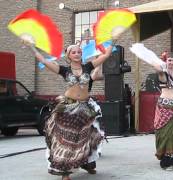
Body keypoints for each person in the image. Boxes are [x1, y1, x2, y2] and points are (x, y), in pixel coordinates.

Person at [24, 40, 114, 180]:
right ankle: (65, 172)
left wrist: (113, 39)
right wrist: (31, 47)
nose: (77, 54)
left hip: (85, 108)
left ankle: (87, 163)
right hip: (69, 107)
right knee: (67, 140)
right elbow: (43, 60)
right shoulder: (64, 70)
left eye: (79, 52)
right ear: (68, 55)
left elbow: (106, 55)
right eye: (73, 52)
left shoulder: (88, 67)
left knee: (86, 138)